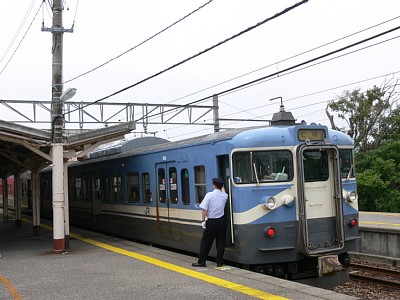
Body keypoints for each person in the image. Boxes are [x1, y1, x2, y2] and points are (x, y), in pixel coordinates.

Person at [192, 178, 228, 268]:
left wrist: (203, 221)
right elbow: (223, 190)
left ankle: (201, 262)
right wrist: (222, 186)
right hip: (222, 221)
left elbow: (204, 210)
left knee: (206, 242)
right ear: (221, 186)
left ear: (214, 185)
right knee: (220, 242)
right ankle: (219, 262)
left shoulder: (209, 195)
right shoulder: (225, 196)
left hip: (212, 222)